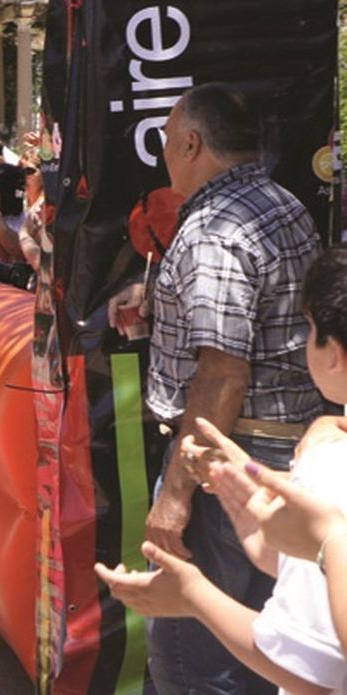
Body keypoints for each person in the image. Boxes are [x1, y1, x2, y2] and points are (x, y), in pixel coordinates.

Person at [106, 82, 323, 694]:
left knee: (195, 664)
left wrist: (176, 496)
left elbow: (224, 373)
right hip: (282, 460)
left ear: (192, 143)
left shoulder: (213, 229)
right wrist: (161, 303)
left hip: (228, 467)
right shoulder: (283, 205)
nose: (166, 156)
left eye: (170, 142)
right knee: (264, 654)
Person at [97, 246, 347, 694]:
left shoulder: (329, 466)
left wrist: (193, 596)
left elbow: (309, 669)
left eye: (309, 328)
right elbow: (317, 582)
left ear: (335, 354)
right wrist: (265, 532)